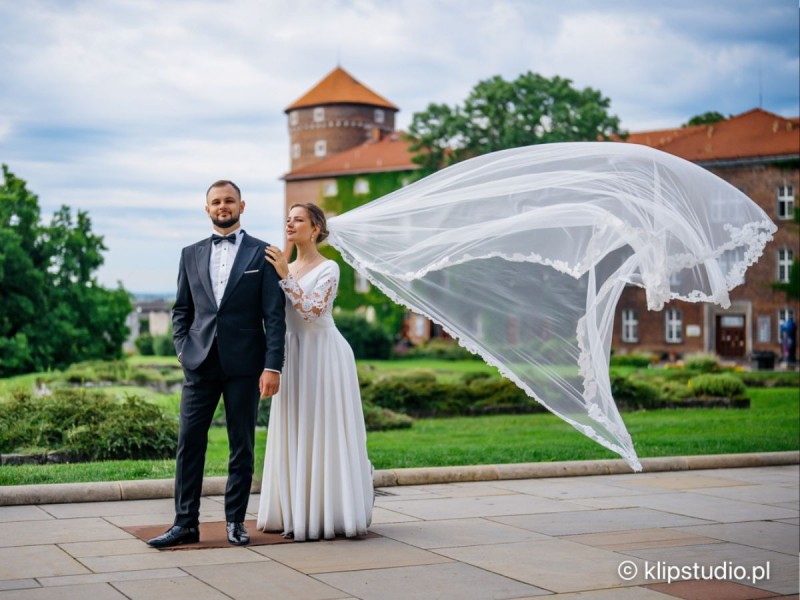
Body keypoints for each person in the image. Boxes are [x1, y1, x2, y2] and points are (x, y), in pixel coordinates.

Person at [147, 180, 286, 548]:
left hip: (246, 366)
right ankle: (185, 524)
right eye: (216, 202)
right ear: (207, 208)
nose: (223, 206)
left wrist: (273, 366)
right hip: (199, 363)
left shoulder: (263, 254)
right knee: (189, 443)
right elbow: (182, 309)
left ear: (242, 205)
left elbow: (274, 317)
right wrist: (182, 350)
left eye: (229, 200)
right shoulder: (189, 253)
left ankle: (235, 522)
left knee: (242, 445)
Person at [257, 203, 373, 541]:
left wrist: (285, 277)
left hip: (324, 355)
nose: (290, 224)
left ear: (316, 229)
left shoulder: (328, 268)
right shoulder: (284, 265)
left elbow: (311, 312)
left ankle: (328, 512)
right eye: (288, 219)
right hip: (292, 355)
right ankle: (293, 510)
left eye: (298, 220)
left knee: (324, 427)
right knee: (296, 425)